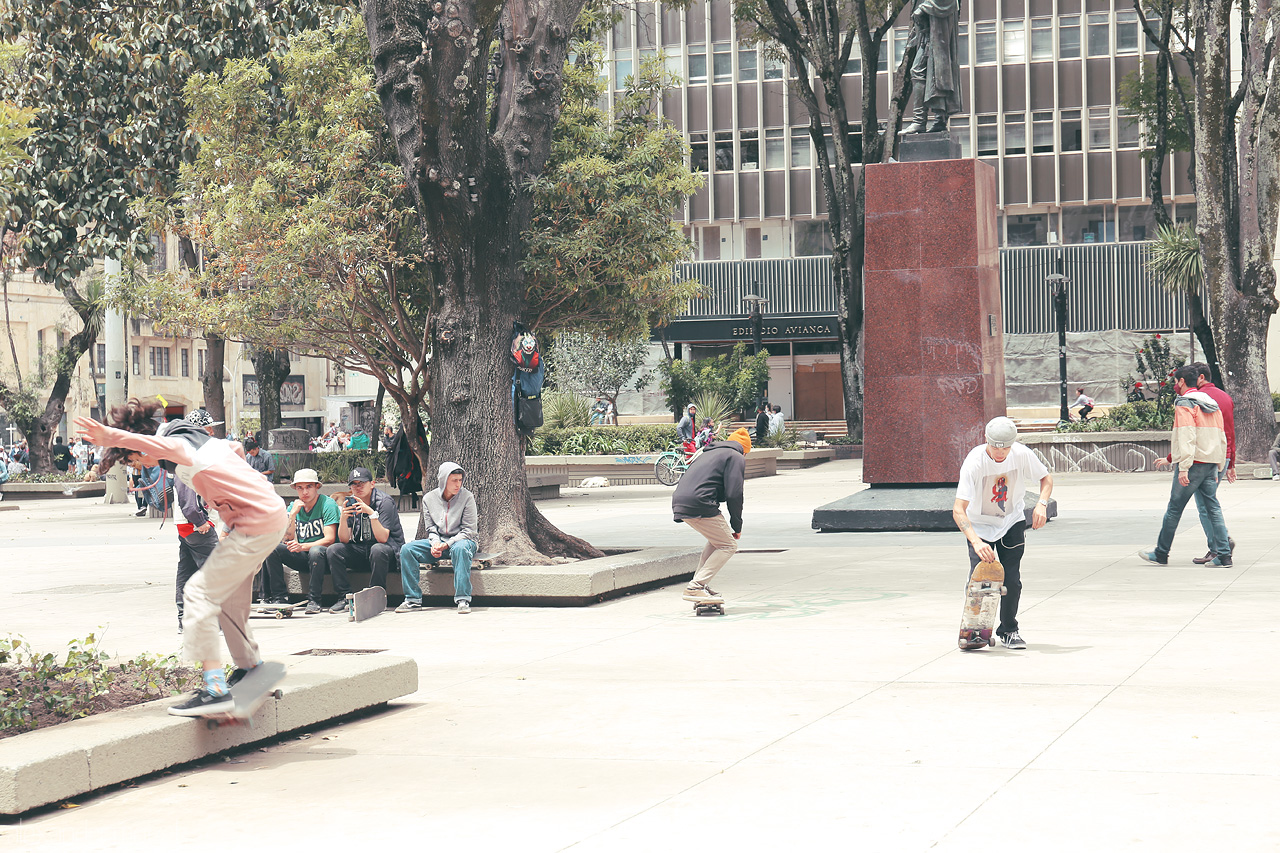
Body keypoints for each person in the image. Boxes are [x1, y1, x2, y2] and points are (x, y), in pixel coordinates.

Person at [76, 399, 287, 716]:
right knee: (228, 599)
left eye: (136, 462)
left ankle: (215, 689)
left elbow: (155, 445)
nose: (142, 466)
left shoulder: (175, 442)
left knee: (197, 593)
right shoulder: (200, 440)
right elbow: (236, 451)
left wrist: (113, 436)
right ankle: (252, 670)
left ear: (142, 447)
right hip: (266, 517)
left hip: (254, 524)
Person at [952, 416, 1053, 650]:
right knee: (980, 581)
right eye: (996, 448)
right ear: (986, 441)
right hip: (980, 526)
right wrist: (976, 542)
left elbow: (1045, 478)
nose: (1001, 453)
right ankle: (974, 630)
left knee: (1012, 581)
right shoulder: (974, 462)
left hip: (1012, 522)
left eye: (1006, 448)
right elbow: (959, 510)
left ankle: (1009, 630)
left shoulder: (1021, 454)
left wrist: (1041, 504)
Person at [1139, 366, 1231, 567]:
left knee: (1174, 509)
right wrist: (1218, 464)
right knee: (1213, 508)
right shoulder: (1211, 403)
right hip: (1209, 463)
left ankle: (1161, 553)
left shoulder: (1184, 403)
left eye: (1175, 382)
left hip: (1193, 464)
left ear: (1181, 381)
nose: (1175, 386)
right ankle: (1224, 556)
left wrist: (1183, 467)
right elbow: (1220, 436)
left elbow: (1187, 436)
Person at [672, 427, 752, 606]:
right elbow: (734, 494)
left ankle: (700, 586)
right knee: (728, 545)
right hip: (700, 502)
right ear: (744, 450)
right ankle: (696, 586)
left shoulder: (709, 453)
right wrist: (737, 525)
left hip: (681, 499)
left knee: (716, 542)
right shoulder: (736, 456)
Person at [395, 462, 479, 614]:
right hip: (440, 542)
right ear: (443, 480)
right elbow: (431, 529)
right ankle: (412, 600)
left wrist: (447, 544)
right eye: (454, 480)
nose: (458, 484)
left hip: (462, 541)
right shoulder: (429, 498)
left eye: (460, 480)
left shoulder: (467, 497)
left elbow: (469, 531)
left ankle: (463, 599)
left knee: (460, 548)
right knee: (407, 550)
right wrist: (435, 543)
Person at [263, 468, 341, 612]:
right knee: (272, 547)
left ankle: (314, 600)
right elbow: (287, 537)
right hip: (304, 556)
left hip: (325, 559)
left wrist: (303, 546)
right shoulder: (294, 506)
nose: (304, 492)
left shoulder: (327, 504)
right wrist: (292, 515)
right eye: (300, 488)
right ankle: (279, 598)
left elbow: (330, 539)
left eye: (309, 487)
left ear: (317, 487)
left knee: (316, 551)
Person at [326, 466, 405, 600]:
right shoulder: (351, 503)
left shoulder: (384, 502)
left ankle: (375, 597)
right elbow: (344, 539)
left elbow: (383, 538)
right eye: (354, 485)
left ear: (372, 484)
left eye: (362, 483)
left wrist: (371, 513)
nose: (358, 488)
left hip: (387, 553)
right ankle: (343, 597)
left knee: (377, 549)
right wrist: (343, 518)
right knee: (334, 550)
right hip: (362, 550)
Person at [1188, 364, 1236, 564]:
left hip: (1206, 456)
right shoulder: (1225, 397)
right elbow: (1231, 431)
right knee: (1209, 503)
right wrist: (1231, 462)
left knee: (1206, 505)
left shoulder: (1199, 398)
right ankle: (1221, 543)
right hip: (1223, 455)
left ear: (1200, 378)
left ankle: (1218, 547)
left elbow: (1192, 430)